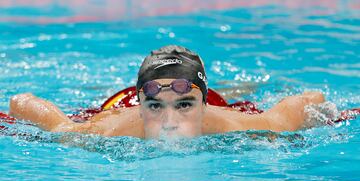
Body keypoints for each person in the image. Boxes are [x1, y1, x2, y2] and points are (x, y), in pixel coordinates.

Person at [8, 45, 325, 139]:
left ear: (202, 105)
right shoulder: (104, 130)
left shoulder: (241, 125)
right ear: (143, 104)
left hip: (217, 102)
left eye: (185, 105)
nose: (170, 121)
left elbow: (312, 99)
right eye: (156, 107)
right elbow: (18, 102)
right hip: (120, 104)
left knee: (243, 97)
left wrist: (324, 115)